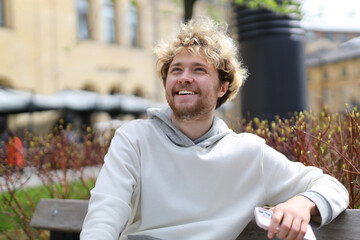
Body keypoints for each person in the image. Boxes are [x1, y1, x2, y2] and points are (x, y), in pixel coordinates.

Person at [80, 16, 348, 240]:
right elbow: (106, 211)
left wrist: (302, 202)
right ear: (166, 83)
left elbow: (332, 187)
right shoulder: (134, 138)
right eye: (176, 70)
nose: (184, 77)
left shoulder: (249, 154)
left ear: (223, 87)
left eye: (198, 70)